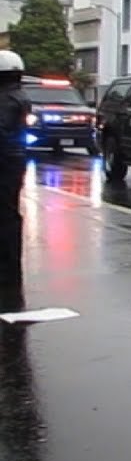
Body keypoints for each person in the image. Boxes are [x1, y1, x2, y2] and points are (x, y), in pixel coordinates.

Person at [0, 50, 30, 285]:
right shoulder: (20, 96)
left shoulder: (6, 99)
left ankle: (7, 265)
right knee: (10, 212)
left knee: (5, 214)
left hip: (4, 160)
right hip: (15, 158)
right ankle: (11, 264)